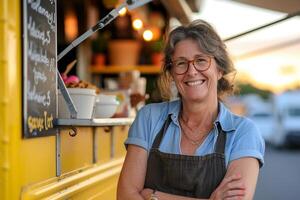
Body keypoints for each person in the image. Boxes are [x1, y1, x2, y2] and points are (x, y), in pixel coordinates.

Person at [117, 19, 265, 200]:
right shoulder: (149, 117)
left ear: (219, 69)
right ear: (172, 74)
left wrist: (155, 196)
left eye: (201, 60)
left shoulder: (243, 132)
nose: (191, 71)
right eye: (181, 63)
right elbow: (125, 196)